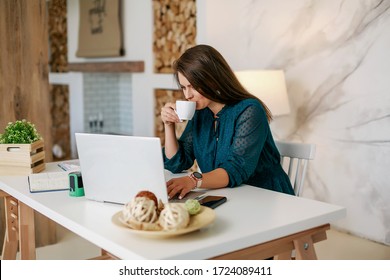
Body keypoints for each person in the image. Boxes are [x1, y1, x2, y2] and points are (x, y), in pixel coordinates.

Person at [161, 44, 294, 199]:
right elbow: (177, 163)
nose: (187, 95)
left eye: (193, 86)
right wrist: (168, 125)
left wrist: (193, 180)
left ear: (213, 80)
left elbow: (236, 169)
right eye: (184, 88)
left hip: (267, 196)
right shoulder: (201, 112)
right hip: (227, 194)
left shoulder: (249, 110)